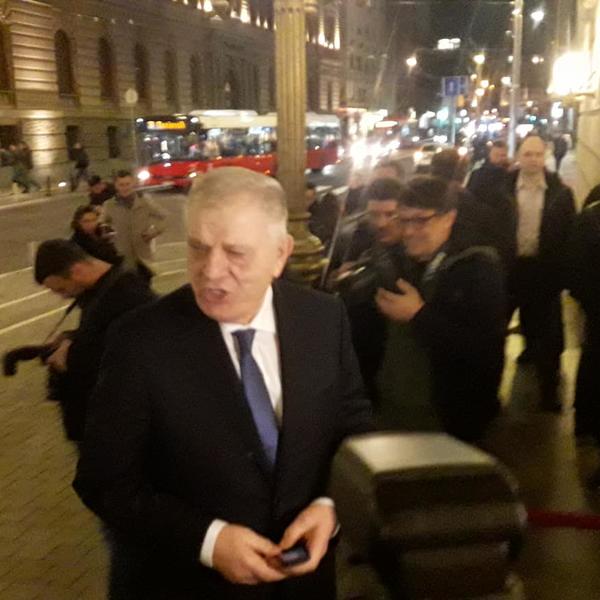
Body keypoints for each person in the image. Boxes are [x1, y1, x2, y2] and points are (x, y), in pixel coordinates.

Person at [73, 167, 372, 599]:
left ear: (280, 254)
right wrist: (208, 541)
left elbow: (354, 425)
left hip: (304, 585)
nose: (211, 271)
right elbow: (104, 480)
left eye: (235, 252)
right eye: (198, 247)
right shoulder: (139, 341)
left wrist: (331, 505)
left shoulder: (323, 317)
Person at [374, 176, 507, 442]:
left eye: (420, 220)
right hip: (399, 411)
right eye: (404, 220)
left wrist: (419, 315)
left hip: (450, 420)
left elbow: (484, 353)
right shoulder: (402, 261)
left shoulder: (477, 267)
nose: (409, 231)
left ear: (449, 218)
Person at [33, 240, 155, 442]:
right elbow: (103, 334)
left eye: (62, 289)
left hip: (122, 426)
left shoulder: (128, 294)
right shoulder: (102, 290)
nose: (64, 296)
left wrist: (71, 356)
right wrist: (71, 339)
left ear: (77, 271)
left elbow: (131, 357)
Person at [506, 135, 576, 411]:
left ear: (544, 156)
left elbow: (568, 232)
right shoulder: (504, 189)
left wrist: (564, 273)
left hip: (544, 269)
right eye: (528, 154)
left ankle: (549, 391)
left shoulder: (560, 193)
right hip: (511, 268)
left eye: (537, 154)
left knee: (549, 331)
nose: (533, 160)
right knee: (496, 326)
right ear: (518, 156)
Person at [565, 198, 600, 457]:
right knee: (594, 362)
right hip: (597, 307)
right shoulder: (591, 220)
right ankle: (588, 424)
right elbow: (575, 270)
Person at [102, 170, 167, 278]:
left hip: (143, 256)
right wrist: (107, 233)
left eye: (127, 184)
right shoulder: (109, 205)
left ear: (133, 184)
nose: (125, 188)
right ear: (116, 186)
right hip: (121, 256)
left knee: (145, 283)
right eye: (121, 185)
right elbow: (102, 224)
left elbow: (164, 217)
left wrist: (154, 232)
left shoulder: (144, 202)